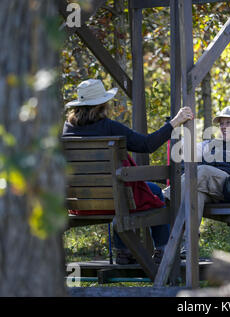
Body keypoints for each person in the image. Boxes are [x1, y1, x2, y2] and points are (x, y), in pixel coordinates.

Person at [62, 79, 193, 264]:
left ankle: (124, 251)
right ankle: (163, 250)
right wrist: (174, 123)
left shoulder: (66, 131)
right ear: (102, 105)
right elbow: (146, 145)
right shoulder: (110, 127)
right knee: (153, 192)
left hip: (80, 202)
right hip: (113, 200)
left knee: (126, 193)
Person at [163, 106, 230, 253]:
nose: (223, 127)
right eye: (221, 124)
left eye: (228, 123)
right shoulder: (208, 145)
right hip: (209, 190)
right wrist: (177, 128)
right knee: (195, 195)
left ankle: (165, 198)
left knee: (202, 171)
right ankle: (188, 246)